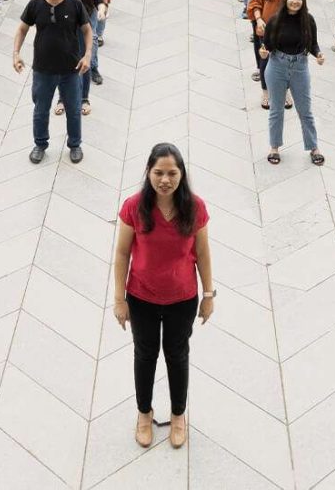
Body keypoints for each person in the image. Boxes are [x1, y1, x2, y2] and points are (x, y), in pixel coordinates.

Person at [114, 143, 213, 450]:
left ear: (182, 174)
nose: (165, 180)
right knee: (144, 356)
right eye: (158, 173)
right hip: (141, 298)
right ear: (148, 172)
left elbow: (202, 252)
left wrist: (208, 294)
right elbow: (122, 252)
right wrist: (119, 299)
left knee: (177, 355)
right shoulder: (134, 206)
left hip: (182, 299)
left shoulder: (194, 207)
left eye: (172, 173)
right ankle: (145, 414)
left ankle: (178, 415)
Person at [12, 0, 92, 165]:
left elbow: (87, 30)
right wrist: (16, 53)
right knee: (40, 110)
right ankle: (40, 144)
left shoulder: (74, 4)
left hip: (71, 69)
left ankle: (75, 145)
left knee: (73, 110)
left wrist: (88, 55)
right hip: (43, 69)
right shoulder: (35, 4)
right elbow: (22, 29)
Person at [259, 0, 325, 166]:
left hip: (300, 66)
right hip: (277, 65)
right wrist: (263, 52)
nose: (295, 2)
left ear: (303, 1)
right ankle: (274, 147)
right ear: (285, 0)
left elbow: (313, 44)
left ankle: (313, 147)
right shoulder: (275, 20)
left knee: (305, 109)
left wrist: (318, 54)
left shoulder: (308, 20)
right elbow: (267, 45)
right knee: (276, 109)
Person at [247, 0, 301, 108]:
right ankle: (265, 91)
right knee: (266, 60)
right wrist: (258, 19)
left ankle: (285, 91)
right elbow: (255, 3)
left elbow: (301, 4)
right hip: (267, 28)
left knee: (286, 62)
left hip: (288, 29)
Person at [60, 0, 107, 116]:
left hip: (83, 28)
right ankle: (62, 98)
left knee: (84, 61)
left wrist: (101, 10)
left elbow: (99, 0)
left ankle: (84, 98)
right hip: (63, 28)